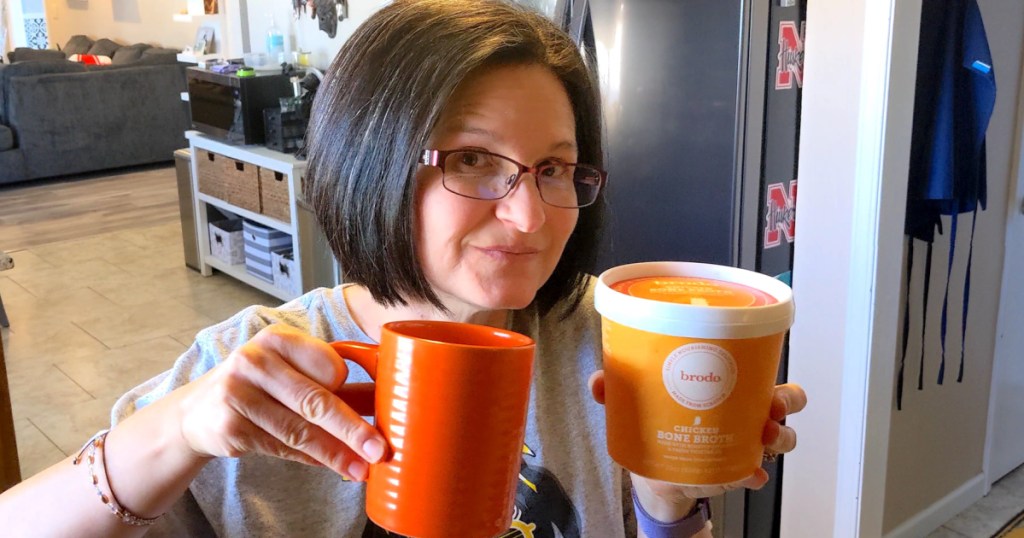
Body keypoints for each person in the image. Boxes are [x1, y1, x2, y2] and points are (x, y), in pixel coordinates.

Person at [0, 1, 807, 536]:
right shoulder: (256, 370)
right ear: (371, 160)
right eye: (471, 160)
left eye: (556, 169)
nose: (530, 215)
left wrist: (669, 498)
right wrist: (176, 429)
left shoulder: (620, 341)